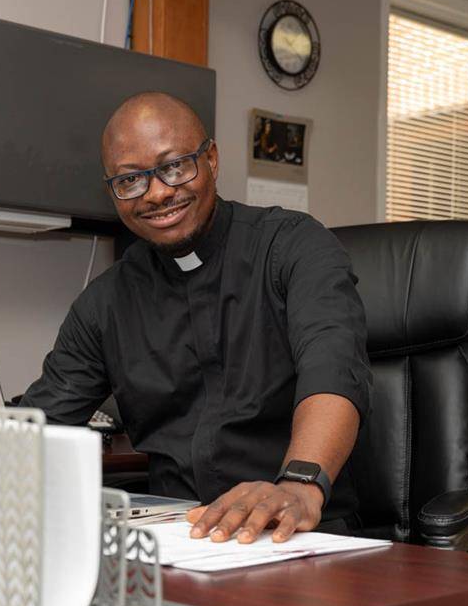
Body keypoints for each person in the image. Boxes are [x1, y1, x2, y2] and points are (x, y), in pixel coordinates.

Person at [20, 92, 371, 543]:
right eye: (131, 181)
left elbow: (334, 373)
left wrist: (300, 485)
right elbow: (41, 421)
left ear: (212, 159)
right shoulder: (104, 304)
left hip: (305, 532)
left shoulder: (294, 248)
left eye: (174, 167)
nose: (159, 193)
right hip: (181, 537)